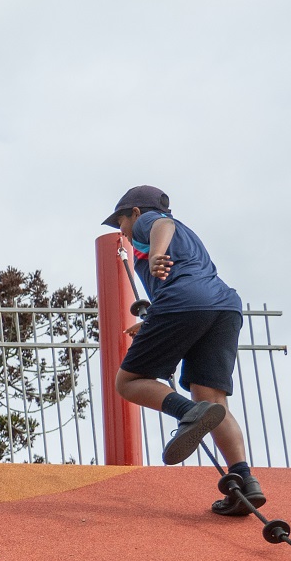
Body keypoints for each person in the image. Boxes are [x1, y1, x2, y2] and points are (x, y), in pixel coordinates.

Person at [102, 186, 261, 513]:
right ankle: (245, 481)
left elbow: (161, 224)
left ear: (135, 212)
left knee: (128, 382)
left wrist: (157, 252)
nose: (122, 232)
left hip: (185, 303)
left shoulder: (150, 223)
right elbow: (192, 283)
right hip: (223, 307)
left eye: (121, 222)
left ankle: (187, 414)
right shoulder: (189, 239)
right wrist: (150, 324)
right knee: (212, 399)